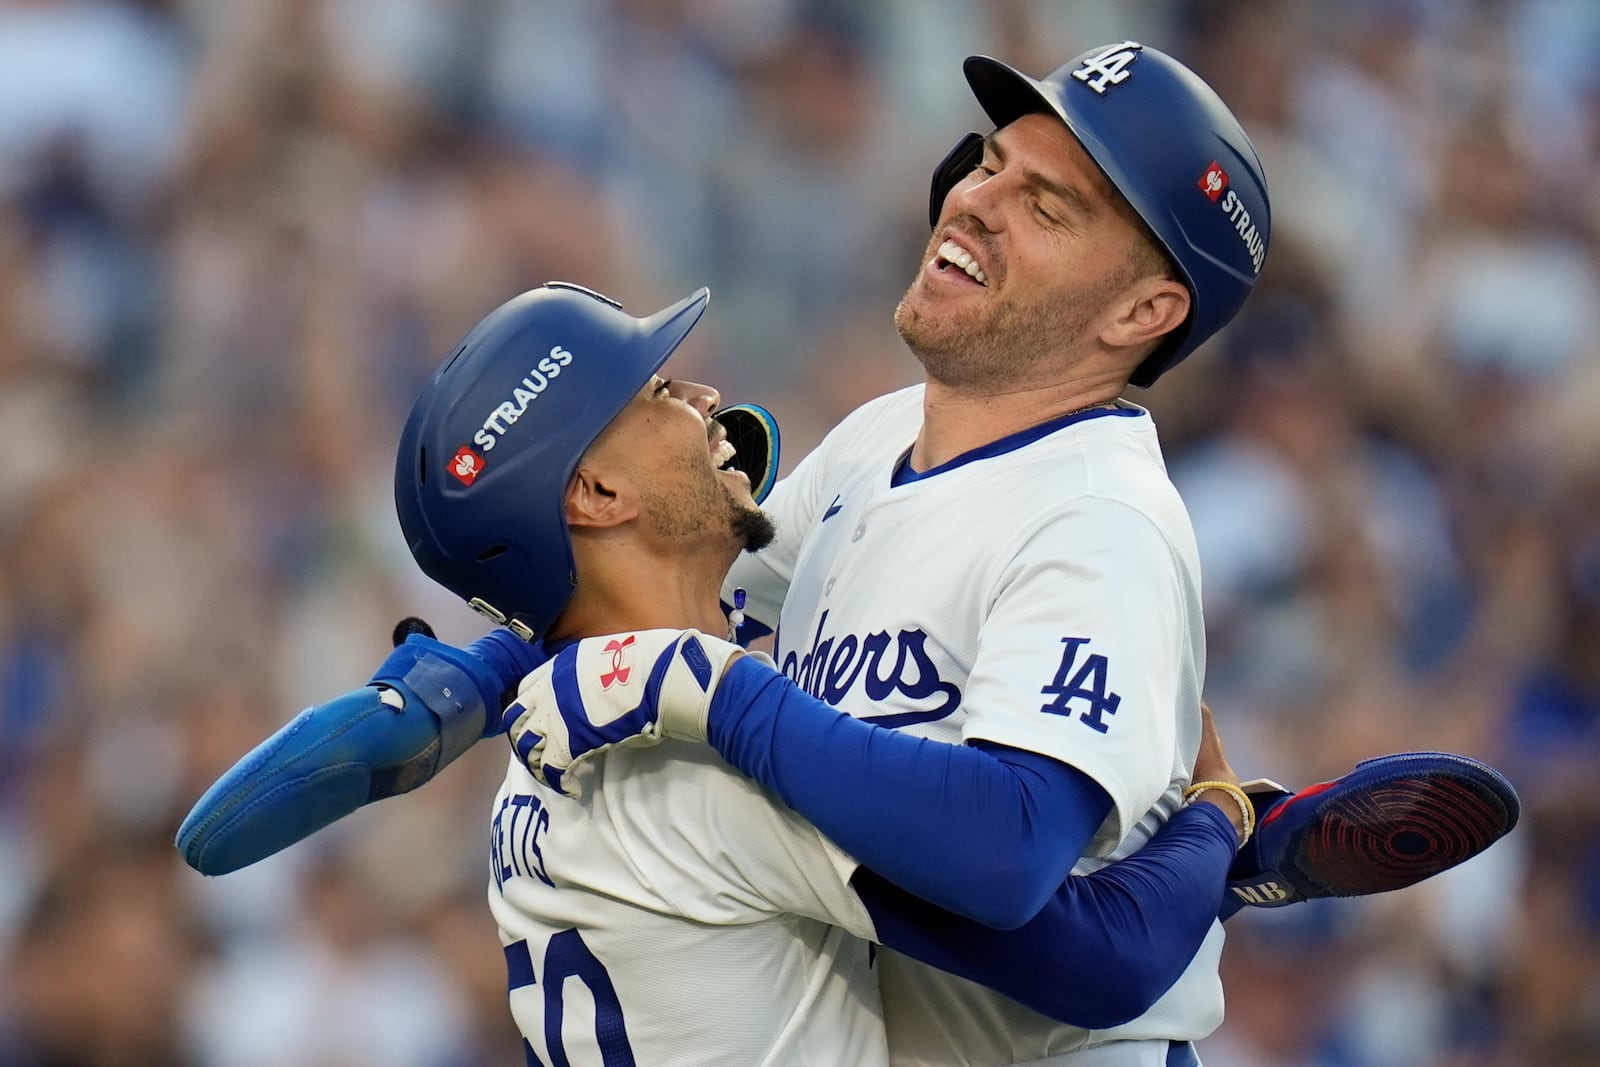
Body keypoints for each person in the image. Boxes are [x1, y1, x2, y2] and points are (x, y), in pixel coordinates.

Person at [177, 43, 1520, 1067]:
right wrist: (1220, 839)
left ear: (1147, 308)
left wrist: (460, 692)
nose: (982, 198)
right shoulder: (874, 456)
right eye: (995, 159)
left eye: (1049, 205)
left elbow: (996, 857)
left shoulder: (1095, 523)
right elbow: (668, 608)